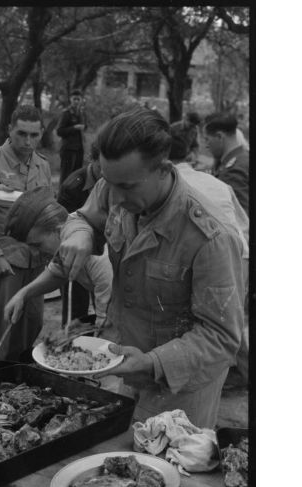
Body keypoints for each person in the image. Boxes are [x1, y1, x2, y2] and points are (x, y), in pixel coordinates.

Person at [56, 107, 245, 428]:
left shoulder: (209, 237)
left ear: (163, 169)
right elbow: (85, 216)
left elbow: (221, 337)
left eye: (127, 187)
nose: (114, 196)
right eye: (107, 181)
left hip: (182, 389)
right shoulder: (116, 183)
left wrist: (153, 362)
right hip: (126, 364)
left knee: (168, 470)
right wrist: (80, 233)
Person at [0, 106, 53, 361]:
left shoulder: (43, 166)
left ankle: (15, 380)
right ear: (9, 129)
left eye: (35, 135)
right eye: (22, 134)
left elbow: (47, 213)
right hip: (2, 257)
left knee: (30, 322)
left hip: (34, 259)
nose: (28, 141)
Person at [169, 132, 250, 387]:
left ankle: (221, 375)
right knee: (228, 322)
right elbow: (243, 223)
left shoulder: (164, 186)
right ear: (190, 155)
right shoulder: (216, 183)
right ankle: (240, 375)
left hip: (206, 261)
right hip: (239, 255)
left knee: (207, 327)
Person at [3, 191, 113, 332]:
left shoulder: (100, 260)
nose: (34, 253)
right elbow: (58, 272)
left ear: (58, 230)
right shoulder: (66, 235)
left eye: (37, 245)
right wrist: (24, 294)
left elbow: (108, 327)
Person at [57, 141, 102, 324]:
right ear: (92, 159)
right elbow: (63, 225)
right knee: (75, 310)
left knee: (103, 308)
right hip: (76, 257)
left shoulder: (116, 182)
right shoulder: (73, 186)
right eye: (101, 167)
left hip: (103, 256)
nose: (105, 173)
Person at [203, 112, 250, 215]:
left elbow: (241, 220)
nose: (206, 145)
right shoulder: (244, 157)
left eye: (207, 139)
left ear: (219, 137)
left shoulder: (233, 172)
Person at [56, 90, 87, 184]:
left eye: (78, 99)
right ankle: (61, 197)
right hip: (68, 149)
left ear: (81, 100)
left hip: (79, 148)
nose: (76, 101)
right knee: (66, 175)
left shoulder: (81, 113)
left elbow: (85, 126)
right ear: (70, 99)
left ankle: (72, 197)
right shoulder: (66, 113)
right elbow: (59, 131)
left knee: (76, 175)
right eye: (74, 99)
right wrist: (74, 128)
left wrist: (84, 127)